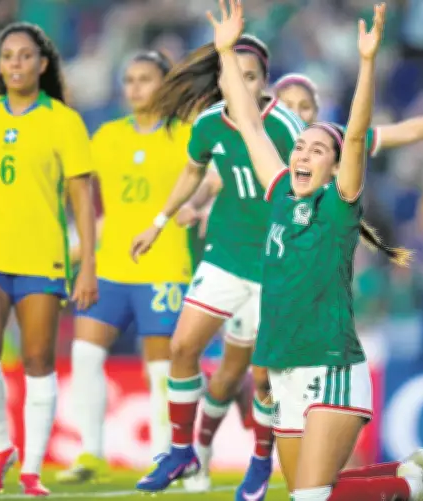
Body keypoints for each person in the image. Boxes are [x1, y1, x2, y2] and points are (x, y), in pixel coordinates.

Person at [209, 1, 423, 499]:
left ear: (335, 166)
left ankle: (405, 488)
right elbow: (252, 128)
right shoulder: (279, 191)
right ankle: (404, 482)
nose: (302, 152)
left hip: (331, 364)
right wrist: (225, 54)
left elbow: (359, 134)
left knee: (309, 498)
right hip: (283, 366)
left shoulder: (339, 208)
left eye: (317, 149)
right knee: (310, 489)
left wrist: (367, 63)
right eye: (300, 147)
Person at [130, 30, 304, 498]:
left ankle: (261, 462)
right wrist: (160, 221)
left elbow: (305, 194)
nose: (241, 85)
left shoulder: (285, 126)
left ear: (265, 82)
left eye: (251, 77)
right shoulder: (208, 124)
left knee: (263, 377)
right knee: (183, 347)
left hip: (273, 265)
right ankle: (181, 450)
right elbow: (194, 170)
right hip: (226, 254)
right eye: (233, 76)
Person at [0, 22, 98, 497]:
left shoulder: (64, 121)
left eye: (25, 56)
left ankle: (30, 471)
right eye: (7, 56)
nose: (15, 64)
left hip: (41, 256)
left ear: (42, 64)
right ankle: (1, 449)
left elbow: (81, 200)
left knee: (38, 359)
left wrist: (86, 264)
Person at [55, 49, 191, 484]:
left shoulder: (186, 136)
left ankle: (160, 455)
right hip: (110, 266)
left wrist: (201, 207)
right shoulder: (108, 136)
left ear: (165, 86)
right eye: (129, 79)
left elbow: (209, 181)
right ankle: (91, 453)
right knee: (84, 354)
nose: (135, 88)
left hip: (164, 265)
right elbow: (76, 189)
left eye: (145, 79)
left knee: (160, 370)